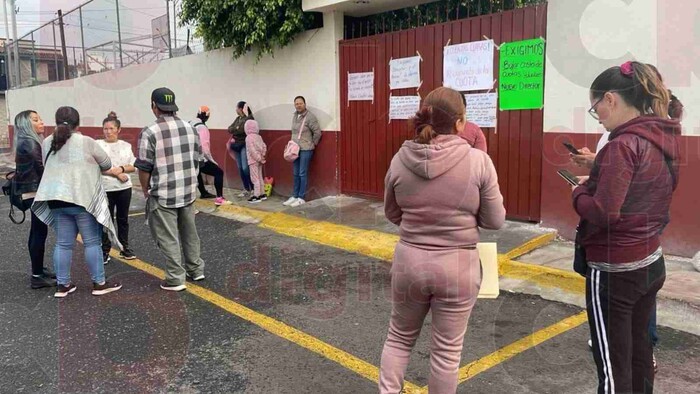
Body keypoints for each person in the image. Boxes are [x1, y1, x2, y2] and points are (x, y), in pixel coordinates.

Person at [379, 87, 506, 393]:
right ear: (461, 123)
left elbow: (391, 212)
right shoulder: (478, 162)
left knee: (398, 338)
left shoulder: (401, 158)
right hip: (458, 265)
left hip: (410, 261)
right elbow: (495, 221)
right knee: (447, 354)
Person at [572, 61, 680, 394]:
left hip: (615, 269)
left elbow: (604, 213)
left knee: (613, 364)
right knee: (639, 353)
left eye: (596, 108)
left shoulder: (622, 145)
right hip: (651, 261)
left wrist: (578, 192)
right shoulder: (663, 135)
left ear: (611, 99)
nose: (599, 115)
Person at [32, 106, 124, 298]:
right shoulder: (87, 142)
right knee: (92, 242)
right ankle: (99, 284)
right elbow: (106, 164)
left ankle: (62, 286)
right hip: (82, 199)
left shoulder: (48, 141)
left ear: (56, 122)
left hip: (56, 199)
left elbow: (46, 163)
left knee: (63, 244)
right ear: (78, 123)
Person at [135, 87, 205, 291]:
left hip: (163, 192)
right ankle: (196, 270)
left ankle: (175, 278)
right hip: (188, 190)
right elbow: (199, 159)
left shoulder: (149, 132)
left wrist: (145, 189)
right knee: (190, 232)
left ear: (154, 106)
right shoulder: (191, 128)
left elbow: (144, 166)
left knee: (168, 236)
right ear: (173, 106)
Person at [13, 110, 55, 289]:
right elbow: (41, 169)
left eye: (40, 118)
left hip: (29, 192)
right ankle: (37, 276)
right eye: (36, 120)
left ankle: (38, 270)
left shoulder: (25, 141)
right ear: (26, 125)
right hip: (34, 193)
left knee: (36, 232)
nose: (41, 122)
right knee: (39, 232)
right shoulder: (31, 143)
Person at [96, 112, 137, 264]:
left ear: (118, 130)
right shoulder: (98, 145)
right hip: (105, 188)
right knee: (106, 220)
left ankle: (124, 247)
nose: (108, 131)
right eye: (105, 128)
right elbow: (96, 166)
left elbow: (134, 166)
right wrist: (118, 174)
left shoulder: (126, 146)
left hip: (124, 188)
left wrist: (121, 169)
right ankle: (105, 250)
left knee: (123, 219)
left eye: (111, 128)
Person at [282, 96, 322, 208]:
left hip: (305, 149)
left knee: (302, 173)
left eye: (300, 103)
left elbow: (317, 133)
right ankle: (294, 196)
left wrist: (312, 144)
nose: (298, 105)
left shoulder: (310, 117)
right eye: (296, 104)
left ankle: (301, 197)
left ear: (305, 104)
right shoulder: (295, 116)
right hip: (295, 149)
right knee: (295, 173)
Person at [191, 106, 229, 206]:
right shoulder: (202, 128)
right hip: (200, 157)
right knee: (219, 172)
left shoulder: (190, 123)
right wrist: (211, 160)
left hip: (190, 157)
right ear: (207, 116)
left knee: (197, 173)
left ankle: (203, 193)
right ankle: (219, 198)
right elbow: (205, 147)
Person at [227, 101, 254, 197]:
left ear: (241, 109)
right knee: (240, 168)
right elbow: (229, 129)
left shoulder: (249, 119)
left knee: (245, 167)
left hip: (244, 144)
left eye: (237, 108)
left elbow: (243, 130)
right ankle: (246, 188)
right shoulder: (238, 119)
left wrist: (236, 129)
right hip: (236, 145)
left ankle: (253, 187)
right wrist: (236, 128)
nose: (236, 110)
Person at [244, 119, 267, 204]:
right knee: (260, 177)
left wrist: (257, 158)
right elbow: (264, 146)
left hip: (253, 160)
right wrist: (262, 156)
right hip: (260, 159)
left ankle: (256, 196)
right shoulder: (259, 137)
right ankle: (262, 193)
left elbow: (251, 150)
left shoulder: (248, 138)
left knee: (254, 178)